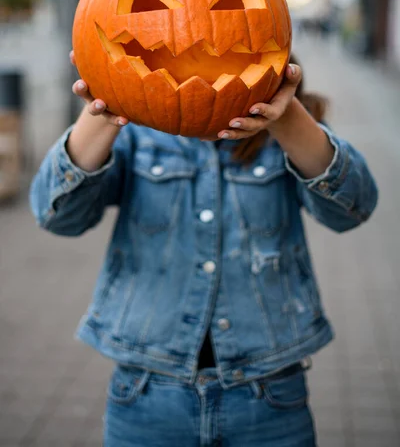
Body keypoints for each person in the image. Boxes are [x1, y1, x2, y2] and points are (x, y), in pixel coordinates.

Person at [30, 51, 378, 447]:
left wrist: (287, 118)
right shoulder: (137, 131)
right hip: (146, 394)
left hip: (269, 396)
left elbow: (354, 207)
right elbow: (56, 215)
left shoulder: (288, 128)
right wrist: (103, 107)